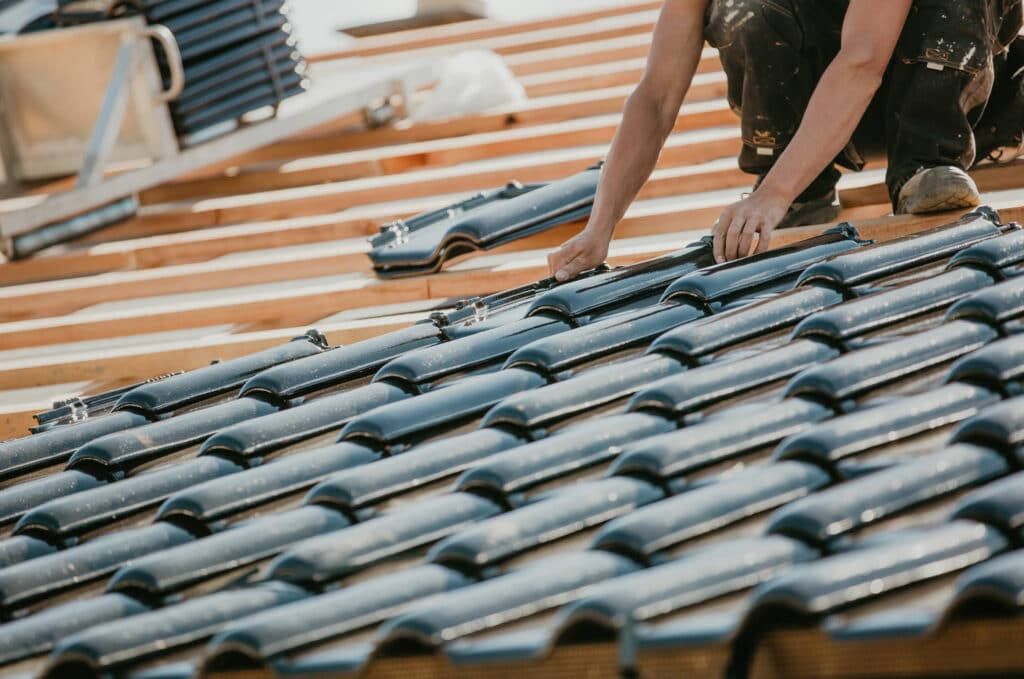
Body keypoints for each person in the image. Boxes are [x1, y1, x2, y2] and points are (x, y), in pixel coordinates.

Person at [548, 0, 1023, 278]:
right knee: (743, 8)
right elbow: (655, 96)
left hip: (949, 91)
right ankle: (804, 190)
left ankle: (924, 162)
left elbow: (863, 59)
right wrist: (600, 227)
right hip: (828, 114)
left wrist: (771, 195)